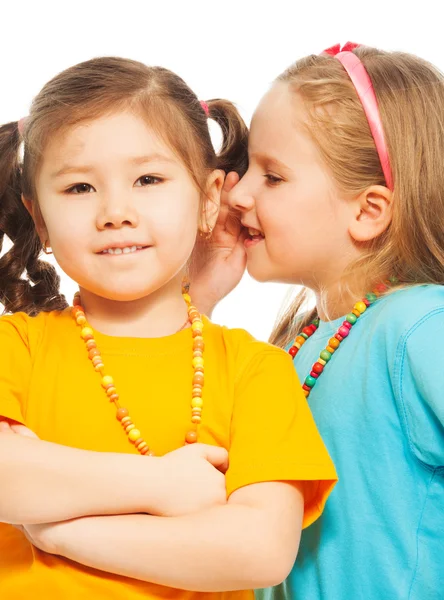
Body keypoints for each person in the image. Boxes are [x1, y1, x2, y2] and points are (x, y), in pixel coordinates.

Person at [0, 56, 337, 599]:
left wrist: (58, 531)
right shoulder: (16, 346)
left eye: (148, 179)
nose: (115, 211)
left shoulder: (255, 370)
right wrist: (162, 485)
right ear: (38, 217)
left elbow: (260, 551)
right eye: (79, 188)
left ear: (208, 200)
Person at [191, 43, 444, 599]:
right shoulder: (295, 344)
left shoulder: (419, 326)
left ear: (367, 210)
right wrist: (199, 299)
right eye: (247, 168)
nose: (238, 192)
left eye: (273, 176)